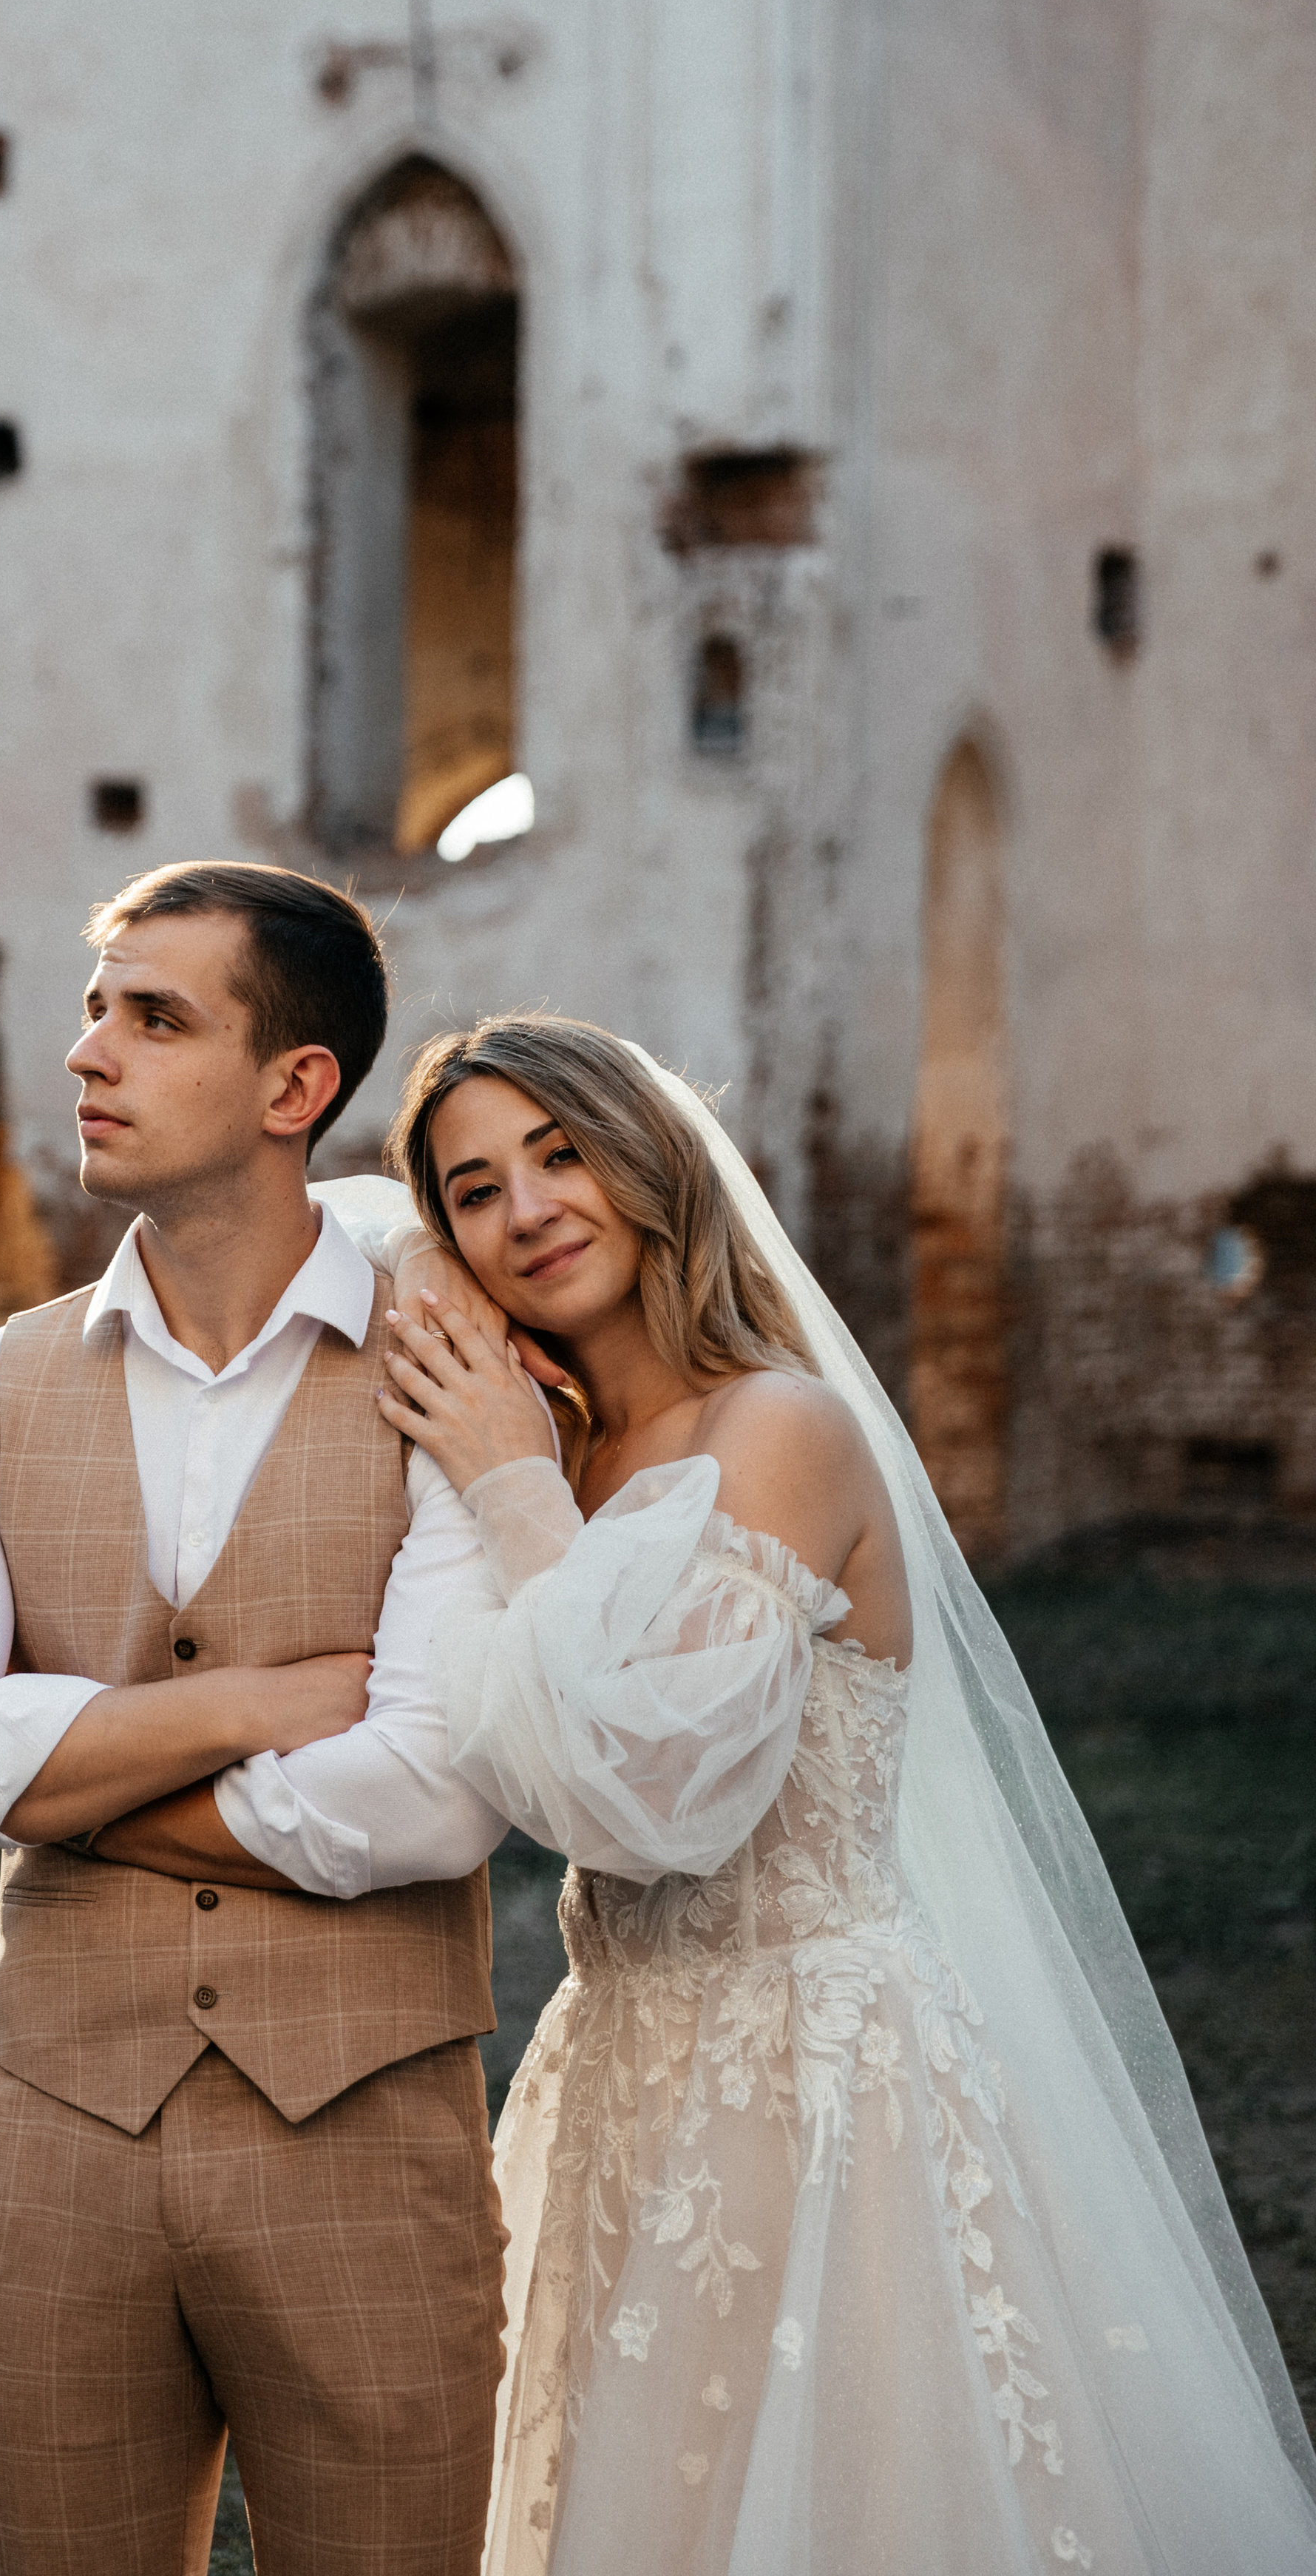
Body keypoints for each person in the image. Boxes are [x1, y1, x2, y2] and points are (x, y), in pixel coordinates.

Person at [361, 1012, 1316, 2575]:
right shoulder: (560, 1448)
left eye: (559, 1153)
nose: (524, 1208)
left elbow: (660, 1792)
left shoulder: (774, 1429)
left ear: (650, 1162)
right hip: (616, 2070)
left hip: (817, 2079)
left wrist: (505, 1481)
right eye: (469, 1190)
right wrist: (488, 1411)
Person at [0, 864, 520, 2576]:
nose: (88, 1052)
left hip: (365, 2145)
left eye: (155, 1017)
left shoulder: (447, 1381)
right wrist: (235, 1707)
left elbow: (430, 1798)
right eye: (94, 1006)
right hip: (52, 2141)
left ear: (295, 1088)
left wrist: (62, 1781)